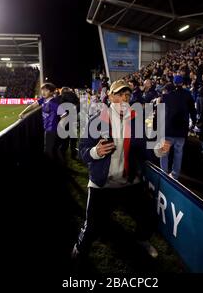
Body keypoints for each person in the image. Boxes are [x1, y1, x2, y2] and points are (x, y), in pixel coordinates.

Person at [71, 80, 171, 269]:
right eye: (119, 94)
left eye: (127, 94)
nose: (124, 98)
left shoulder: (136, 120)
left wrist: (157, 150)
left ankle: (141, 240)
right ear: (110, 97)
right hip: (103, 184)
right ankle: (80, 248)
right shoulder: (97, 120)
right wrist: (96, 152)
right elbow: (82, 151)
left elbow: (144, 150)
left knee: (148, 216)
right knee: (92, 226)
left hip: (129, 182)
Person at [158, 76, 197, 180]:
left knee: (164, 153)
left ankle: (163, 173)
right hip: (181, 130)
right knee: (178, 153)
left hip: (168, 130)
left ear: (174, 83)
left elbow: (160, 111)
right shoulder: (188, 94)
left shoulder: (167, 96)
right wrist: (194, 123)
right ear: (182, 83)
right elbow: (193, 111)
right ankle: (175, 176)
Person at [19, 83, 60, 161]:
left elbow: (64, 114)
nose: (43, 92)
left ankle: (55, 168)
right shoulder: (43, 100)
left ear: (51, 92)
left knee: (48, 151)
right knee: (51, 150)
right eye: (42, 90)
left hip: (52, 130)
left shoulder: (54, 103)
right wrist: (23, 113)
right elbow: (33, 105)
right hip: (47, 128)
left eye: (46, 90)